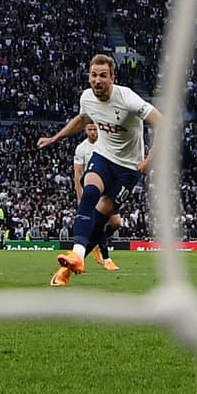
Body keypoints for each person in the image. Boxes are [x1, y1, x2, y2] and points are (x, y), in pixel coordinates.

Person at [38, 54, 162, 287]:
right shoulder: (87, 98)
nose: (97, 80)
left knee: (100, 218)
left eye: (103, 75)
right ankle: (75, 254)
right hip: (104, 156)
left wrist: (149, 160)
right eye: (94, 75)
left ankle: (69, 269)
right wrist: (55, 138)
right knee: (90, 192)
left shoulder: (127, 99)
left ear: (112, 78)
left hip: (128, 169)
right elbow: (82, 119)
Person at [72, 121, 121, 271]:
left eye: (95, 129)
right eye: (90, 129)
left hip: (108, 185)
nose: (93, 132)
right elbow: (78, 174)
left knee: (116, 223)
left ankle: (95, 244)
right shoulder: (82, 149)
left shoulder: (104, 144)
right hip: (92, 188)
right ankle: (106, 258)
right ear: (85, 130)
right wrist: (80, 196)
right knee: (99, 222)